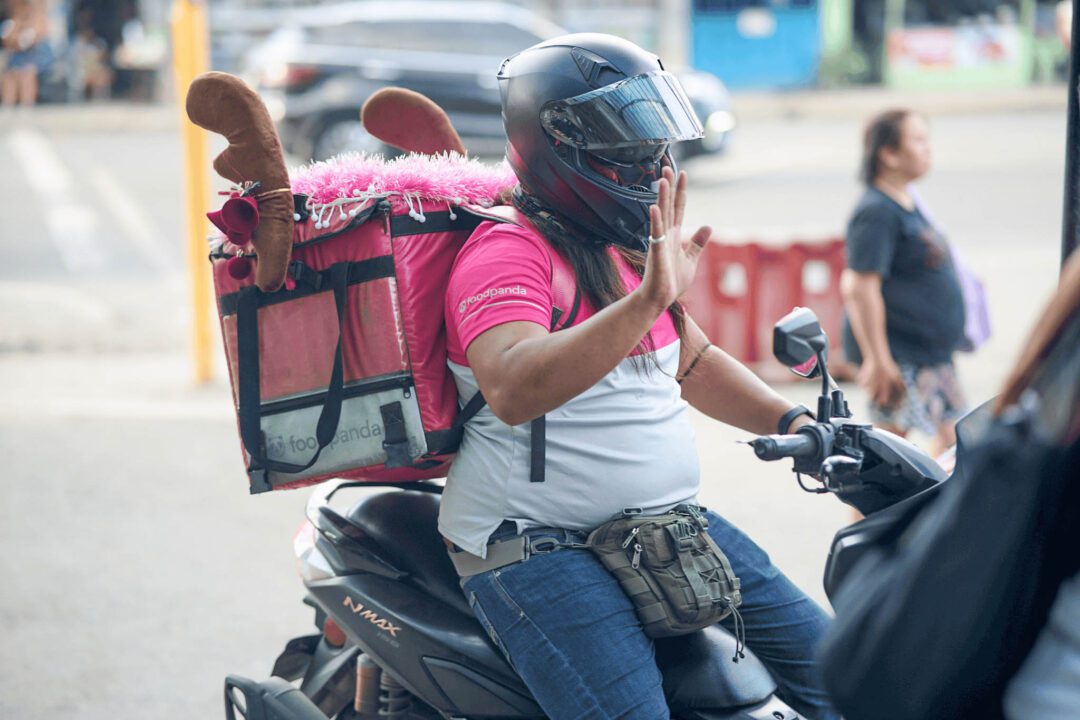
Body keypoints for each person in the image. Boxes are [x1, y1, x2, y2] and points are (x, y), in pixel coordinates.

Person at [440, 33, 839, 720]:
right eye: (628, 144)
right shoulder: (506, 252)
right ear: (558, 142)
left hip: (664, 526)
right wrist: (650, 298)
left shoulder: (620, 247)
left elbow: (693, 363)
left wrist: (800, 424)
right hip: (535, 547)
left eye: (654, 142)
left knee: (849, 674)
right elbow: (510, 385)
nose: (653, 162)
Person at [840, 108, 967, 460]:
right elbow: (859, 286)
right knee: (887, 457)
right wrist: (879, 360)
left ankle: (925, 514)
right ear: (889, 153)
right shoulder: (876, 211)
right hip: (902, 358)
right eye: (919, 140)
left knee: (954, 442)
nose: (928, 149)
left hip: (931, 356)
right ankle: (871, 518)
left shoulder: (906, 202)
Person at [0, 0, 50, 108]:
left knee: (27, 73)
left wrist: (22, 41)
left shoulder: (36, 21)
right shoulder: (10, 23)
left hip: (32, 58)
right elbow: (7, 41)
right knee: (10, 75)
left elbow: (37, 37)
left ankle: (27, 105)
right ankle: (7, 104)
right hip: (13, 58)